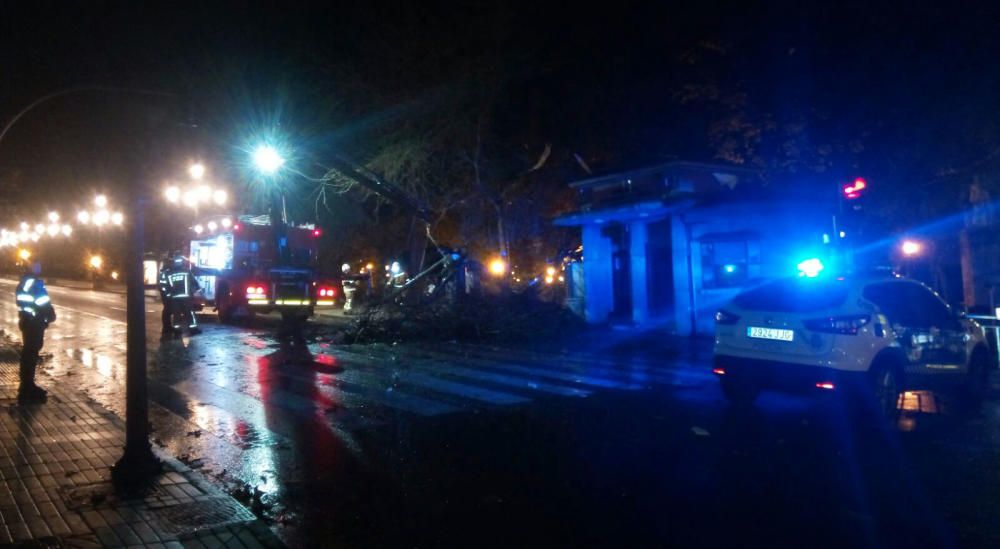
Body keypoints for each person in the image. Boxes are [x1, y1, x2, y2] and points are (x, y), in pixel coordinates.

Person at [15, 262, 56, 402]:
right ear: (32, 268)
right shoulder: (35, 283)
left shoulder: (23, 282)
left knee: (28, 353)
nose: (39, 268)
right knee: (31, 353)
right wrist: (50, 315)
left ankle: (26, 385)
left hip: (26, 320)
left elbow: (22, 302)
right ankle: (27, 388)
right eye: (37, 266)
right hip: (34, 322)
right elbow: (42, 301)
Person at [159, 253, 202, 336]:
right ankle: (193, 329)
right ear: (182, 262)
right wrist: (198, 291)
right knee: (189, 313)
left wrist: (168, 295)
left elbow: (164, 286)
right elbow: (194, 282)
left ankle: (177, 331)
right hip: (186, 297)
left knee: (176, 315)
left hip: (174, 298)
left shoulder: (169, 273)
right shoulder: (186, 271)